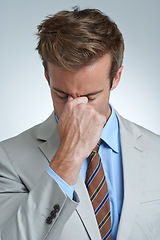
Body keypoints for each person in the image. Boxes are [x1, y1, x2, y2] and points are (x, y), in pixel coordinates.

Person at [0, 7, 160, 240]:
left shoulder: (157, 151)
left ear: (116, 78)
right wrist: (68, 157)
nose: (76, 109)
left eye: (91, 96)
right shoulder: (8, 159)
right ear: (47, 77)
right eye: (62, 95)